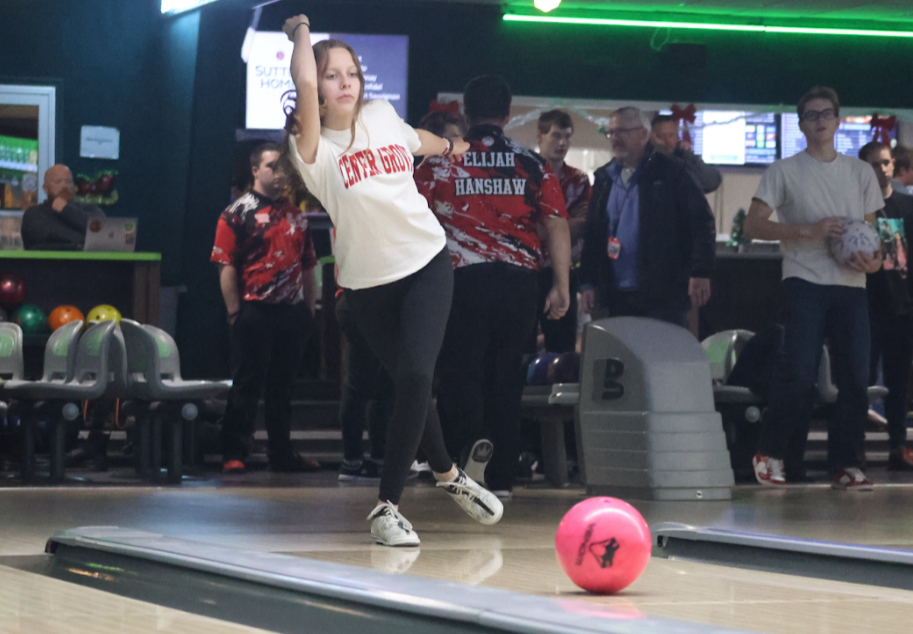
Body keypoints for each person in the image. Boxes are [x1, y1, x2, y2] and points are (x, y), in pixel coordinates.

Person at [281, 15, 503, 546]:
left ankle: (386, 506)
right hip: (366, 288)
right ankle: (449, 473)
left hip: (427, 262)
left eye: (352, 72)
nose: (346, 82)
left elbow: (415, 140)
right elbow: (305, 83)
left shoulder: (381, 114)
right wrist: (302, 32)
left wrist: (451, 147)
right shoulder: (313, 150)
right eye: (333, 75)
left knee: (417, 376)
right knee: (408, 383)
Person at [415, 76, 571, 500]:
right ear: (507, 114)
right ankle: (502, 474)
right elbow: (556, 223)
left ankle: (468, 457)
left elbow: (412, 218)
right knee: (506, 377)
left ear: (464, 113)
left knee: (460, 373)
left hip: (461, 281)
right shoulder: (533, 164)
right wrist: (561, 284)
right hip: (520, 284)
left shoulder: (440, 163)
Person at [744, 86, 884, 490]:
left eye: (826, 113)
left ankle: (845, 464)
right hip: (804, 279)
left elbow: (874, 231)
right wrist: (810, 230)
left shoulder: (860, 173)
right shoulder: (784, 171)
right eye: (811, 115)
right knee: (800, 374)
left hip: (851, 283)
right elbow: (754, 225)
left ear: (838, 120)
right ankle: (769, 452)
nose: (820, 120)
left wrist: (874, 261)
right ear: (802, 124)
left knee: (856, 377)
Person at [211, 142, 319, 474]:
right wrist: (234, 311)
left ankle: (281, 454)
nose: (280, 174)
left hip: (290, 312)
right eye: (273, 166)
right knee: (246, 383)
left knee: (282, 387)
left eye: (284, 167)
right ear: (255, 170)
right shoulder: (237, 212)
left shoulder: (296, 214)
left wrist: (308, 311)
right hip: (253, 310)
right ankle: (234, 453)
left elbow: (308, 264)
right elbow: (225, 264)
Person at [579, 107, 715, 327]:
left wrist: (701, 271)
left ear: (644, 134)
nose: (615, 138)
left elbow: (701, 222)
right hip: (614, 295)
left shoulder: (672, 172)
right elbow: (594, 233)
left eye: (622, 131)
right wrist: (587, 281)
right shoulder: (605, 177)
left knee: (660, 358)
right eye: (611, 132)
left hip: (662, 294)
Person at [859, 141, 913, 470]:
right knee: (860, 378)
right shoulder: (856, 205)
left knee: (897, 379)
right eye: (875, 164)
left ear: (894, 165)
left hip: (900, 305)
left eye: (886, 163)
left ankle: (897, 444)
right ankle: (855, 444)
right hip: (864, 303)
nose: (882, 169)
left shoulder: (905, 206)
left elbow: (898, 261)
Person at [533, 109, 590, 353]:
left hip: (565, 270)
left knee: (563, 346)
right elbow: (519, 226)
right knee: (520, 343)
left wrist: (545, 228)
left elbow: (583, 224)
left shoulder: (578, 179)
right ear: (540, 136)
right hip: (529, 269)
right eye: (556, 136)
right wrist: (561, 227)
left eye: (567, 136)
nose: (562, 143)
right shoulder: (525, 174)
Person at [21, 164, 104, 250]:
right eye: (58, 181)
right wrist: (79, 241)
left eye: (68, 181)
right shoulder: (34, 214)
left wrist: (67, 210)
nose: (65, 186)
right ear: (46, 189)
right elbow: (41, 241)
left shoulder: (91, 210)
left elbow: (102, 234)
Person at [650, 114, 722, 194]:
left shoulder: (684, 158)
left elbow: (712, 182)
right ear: (652, 137)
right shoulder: (647, 160)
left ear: (677, 136)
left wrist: (688, 155)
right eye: (661, 136)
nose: (667, 141)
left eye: (671, 135)